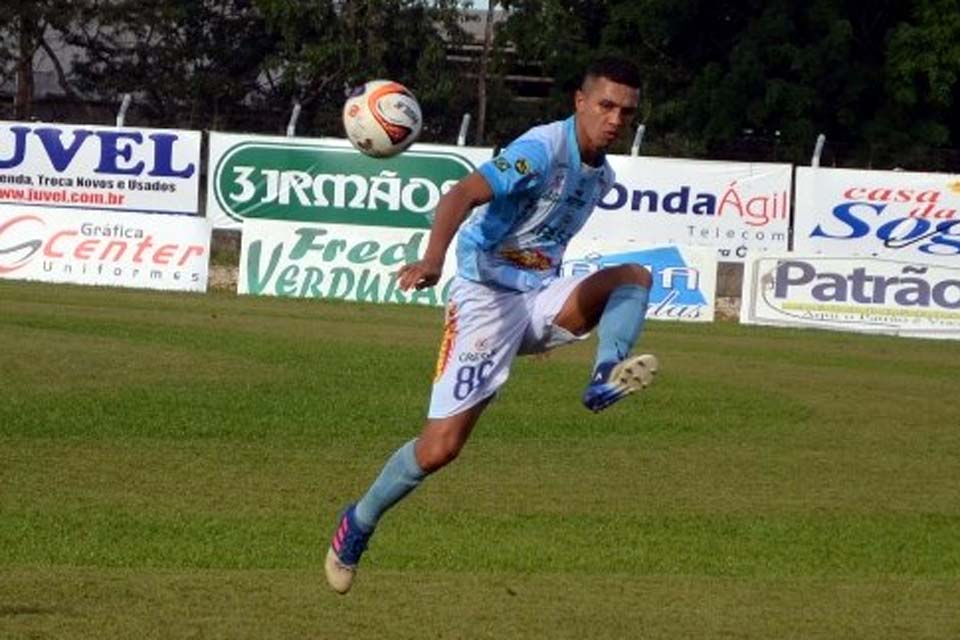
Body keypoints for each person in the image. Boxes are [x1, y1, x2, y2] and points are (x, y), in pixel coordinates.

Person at [325, 56, 658, 594]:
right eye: (606, 106)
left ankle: (606, 373)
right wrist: (434, 260)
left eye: (626, 111)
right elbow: (460, 194)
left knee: (633, 276)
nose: (616, 119)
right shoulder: (540, 150)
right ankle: (357, 523)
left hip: (538, 296)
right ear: (580, 102)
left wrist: (548, 316)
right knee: (440, 449)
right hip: (485, 298)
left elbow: (545, 242)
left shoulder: (603, 176)